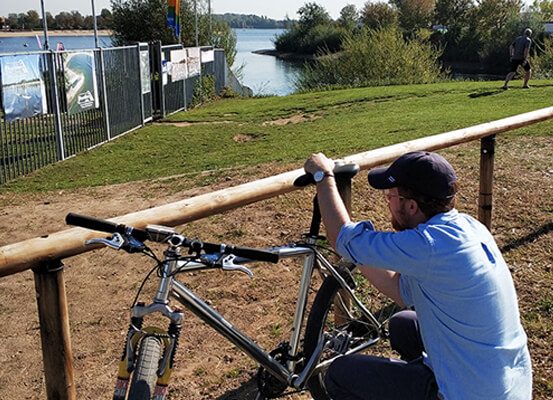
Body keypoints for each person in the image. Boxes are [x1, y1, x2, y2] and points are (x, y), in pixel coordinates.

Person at [303, 151, 532, 400]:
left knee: (339, 374)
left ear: (411, 206)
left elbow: (339, 237)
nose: (387, 202)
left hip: (467, 393)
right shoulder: (467, 227)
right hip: (506, 385)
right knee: (403, 323)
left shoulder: (429, 245)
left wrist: (322, 174)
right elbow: (400, 288)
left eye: (390, 196)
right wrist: (361, 252)